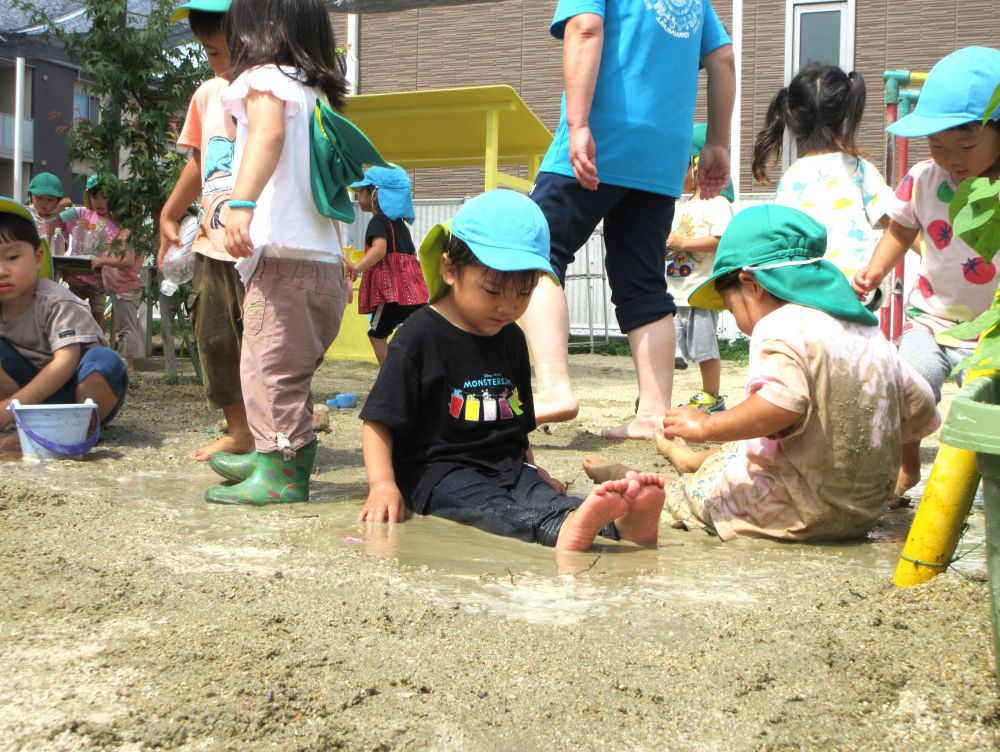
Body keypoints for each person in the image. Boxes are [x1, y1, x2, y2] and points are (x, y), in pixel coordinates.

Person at [587, 206, 940, 542]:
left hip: (788, 513)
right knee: (742, 455)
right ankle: (687, 460)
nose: (740, 325)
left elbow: (781, 405)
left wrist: (705, 426)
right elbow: (918, 403)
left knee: (696, 498)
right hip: (862, 514)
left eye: (730, 306)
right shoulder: (870, 333)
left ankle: (639, 482)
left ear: (751, 284)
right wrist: (905, 471)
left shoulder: (778, 325)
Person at [357, 190, 665, 551]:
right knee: (491, 510)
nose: (507, 306)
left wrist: (532, 469)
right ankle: (559, 530)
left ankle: (621, 526)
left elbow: (517, 423)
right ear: (450, 269)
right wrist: (382, 485)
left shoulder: (512, 339)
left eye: (524, 293)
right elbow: (378, 420)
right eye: (492, 291)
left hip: (507, 465)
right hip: (439, 473)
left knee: (543, 495)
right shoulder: (418, 335)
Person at [521, 0, 735, 439]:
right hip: (664, 155)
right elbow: (722, 59)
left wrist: (578, 123)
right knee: (642, 281)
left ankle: (555, 389)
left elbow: (584, 28)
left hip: (602, 134)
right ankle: (654, 415)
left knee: (535, 251)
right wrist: (717, 141)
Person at [201, 0, 351, 505]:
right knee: (289, 371)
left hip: (285, 265)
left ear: (262, 28)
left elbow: (267, 134)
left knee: (267, 370)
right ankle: (272, 451)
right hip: (323, 266)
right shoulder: (314, 90)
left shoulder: (265, 78)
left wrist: (239, 204)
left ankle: (281, 472)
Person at [854, 46, 1000, 494]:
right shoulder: (923, 178)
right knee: (903, 383)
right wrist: (875, 269)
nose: (952, 158)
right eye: (938, 145)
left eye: (967, 144)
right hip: (934, 322)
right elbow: (900, 229)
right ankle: (906, 466)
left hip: (994, 331)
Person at [160, 0, 252, 462]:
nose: (223, 64)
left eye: (230, 50)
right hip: (214, 243)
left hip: (263, 247)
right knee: (215, 338)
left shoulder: (277, 92)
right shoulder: (207, 95)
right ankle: (239, 429)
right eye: (212, 52)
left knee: (268, 344)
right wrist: (170, 212)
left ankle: (279, 427)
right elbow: (199, 160)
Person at [753, 64, 900, 302]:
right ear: (846, 116)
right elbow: (900, 224)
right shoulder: (858, 169)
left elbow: (782, 242)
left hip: (806, 295)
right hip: (856, 292)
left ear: (792, 118)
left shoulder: (791, 177)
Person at [0, 197, 128, 453]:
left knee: (105, 362)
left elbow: (65, 363)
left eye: (12, 257)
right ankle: (31, 422)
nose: (2, 270)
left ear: (37, 258)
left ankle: (79, 430)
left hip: (81, 393)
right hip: (33, 395)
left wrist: (8, 408)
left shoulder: (55, 301)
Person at [666, 124, 734, 414]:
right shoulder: (681, 206)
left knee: (705, 347)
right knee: (667, 347)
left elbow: (721, 241)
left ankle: (712, 395)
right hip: (674, 290)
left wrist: (683, 241)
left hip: (700, 289)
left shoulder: (717, 204)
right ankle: (657, 396)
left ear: (697, 165)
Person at [348, 165, 428, 366]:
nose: (360, 197)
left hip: (391, 296)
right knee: (411, 334)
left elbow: (379, 249)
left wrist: (356, 268)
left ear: (374, 194)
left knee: (376, 334)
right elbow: (412, 255)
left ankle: (389, 377)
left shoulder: (378, 222)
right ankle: (407, 373)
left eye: (363, 192)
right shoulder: (401, 226)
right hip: (413, 296)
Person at [59, 174, 115, 328]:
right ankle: (73, 341)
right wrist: (62, 208)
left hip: (99, 280)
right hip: (77, 275)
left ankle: (99, 346)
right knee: (71, 311)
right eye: (94, 196)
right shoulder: (82, 212)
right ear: (88, 197)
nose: (99, 201)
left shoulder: (116, 222)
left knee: (98, 314)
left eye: (105, 197)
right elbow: (60, 218)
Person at [25, 172, 66, 241]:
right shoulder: (25, 215)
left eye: (50, 199)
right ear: (31, 197)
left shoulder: (61, 218)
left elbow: (65, 246)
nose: (44, 203)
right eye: (39, 198)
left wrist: (53, 235)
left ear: (58, 201)